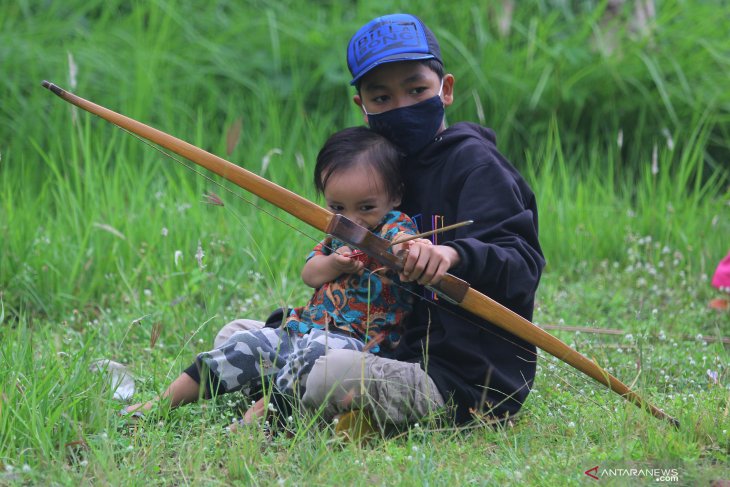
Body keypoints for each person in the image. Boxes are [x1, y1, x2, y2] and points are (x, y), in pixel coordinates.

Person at [218, 13, 545, 428]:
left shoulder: (477, 166)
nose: (402, 106)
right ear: (363, 106)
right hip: (372, 346)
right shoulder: (380, 173)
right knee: (235, 335)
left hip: (454, 378)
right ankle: (310, 394)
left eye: (416, 89)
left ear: (445, 90)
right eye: (382, 98)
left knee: (330, 374)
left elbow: (522, 264)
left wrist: (452, 254)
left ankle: (289, 402)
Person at [123, 126, 423, 420]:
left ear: (394, 195)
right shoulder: (338, 232)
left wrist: (400, 250)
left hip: (359, 345)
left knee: (313, 359)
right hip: (305, 328)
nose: (353, 220)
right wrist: (335, 263)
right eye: (337, 207)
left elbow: (404, 245)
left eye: (366, 207)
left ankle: (259, 420)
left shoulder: (394, 225)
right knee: (247, 344)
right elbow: (311, 273)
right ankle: (160, 404)